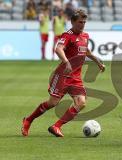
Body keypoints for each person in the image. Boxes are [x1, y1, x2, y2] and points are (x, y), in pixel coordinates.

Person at [21, 9, 105, 137]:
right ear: (72, 22)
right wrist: (66, 61)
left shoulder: (85, 36)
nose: (82, 24)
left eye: (84, 22)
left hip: (75, 78)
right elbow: (58, 48)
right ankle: (28, 120)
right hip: (62, 76)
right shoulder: (67, 35)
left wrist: (98, 62)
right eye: (80, 22)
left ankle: (56, 126)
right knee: (52, 103)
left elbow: (86, 51)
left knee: (81, 102)